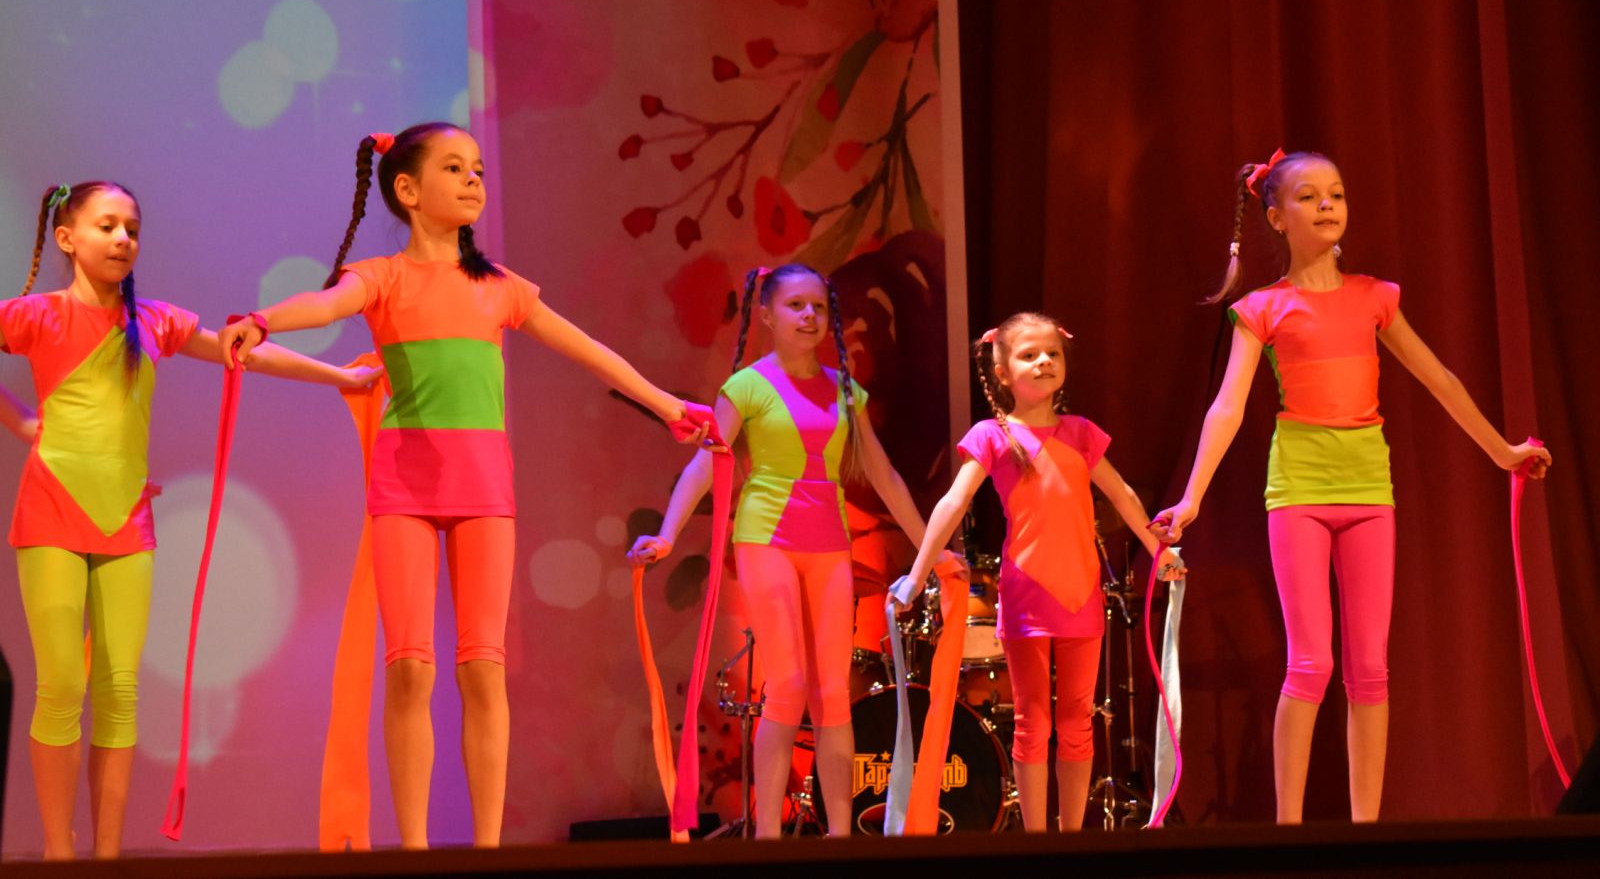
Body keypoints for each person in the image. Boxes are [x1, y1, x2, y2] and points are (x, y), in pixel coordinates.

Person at [220, 123, 703, 848]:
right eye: (454, 168)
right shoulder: (381, 277)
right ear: (408, 190)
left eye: (477, 167)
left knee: (483, 669)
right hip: (404, 490)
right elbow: (321, 307)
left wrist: (667, 406)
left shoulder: (499, 287)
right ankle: (415, 851)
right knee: (410, 670)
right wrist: (263, 321)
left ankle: (487, 851)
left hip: (484, 492)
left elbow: (588, 350)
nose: (474, 178)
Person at [1152, 149, 1551, 823]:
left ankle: (1368, 831)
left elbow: (1440, 379)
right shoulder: (1263, 308)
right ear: (1276, 218)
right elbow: (1227, 407)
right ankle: (1289, 829)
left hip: (1368, 490)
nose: (1327, 205)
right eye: (1308, 196)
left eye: (1335, 193)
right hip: (1299, 492)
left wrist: (1502, 452)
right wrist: (1192, 497)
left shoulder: (1374, 297)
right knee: (1310, 665)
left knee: (1370, 668)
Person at [1, 180, 378, 860]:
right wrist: (22, 420)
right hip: (50, 514)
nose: (123, 239)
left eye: (132, 229)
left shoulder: (152, 322)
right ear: (66, 238)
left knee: (119, 691)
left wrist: (340, 378)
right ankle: (59, 853)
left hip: (126, 524)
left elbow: (241, 353)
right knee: (60, 686)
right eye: (107, 226)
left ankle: (105, 856)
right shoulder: (37, 315)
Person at [628, 263, 949, 837]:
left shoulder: (845, 390)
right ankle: (769, 840)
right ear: (767, 316)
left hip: (829, 543)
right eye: (796, 305)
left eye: (818, 307)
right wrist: (669, 533)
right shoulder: (747, 386)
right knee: (788, 685)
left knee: (832, 693)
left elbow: (884, 476)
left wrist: (933, 548)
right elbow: (706, 464)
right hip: (767, 540)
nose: (809, 316)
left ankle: (840, 836)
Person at [894, 312, 1183, 831]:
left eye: (1052, 353)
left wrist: (1159, 552)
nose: (1044, 361)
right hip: (1027, 595)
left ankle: (1070, 840)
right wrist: (918, 575)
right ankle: (1036, 841)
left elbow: (1122, 495)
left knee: (1077, 723)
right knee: (1032, 722)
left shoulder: (1081, 433)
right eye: (1029, 355)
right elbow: (953, 503)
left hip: (1081, 594)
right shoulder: (992, 436)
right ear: (1003, 372)